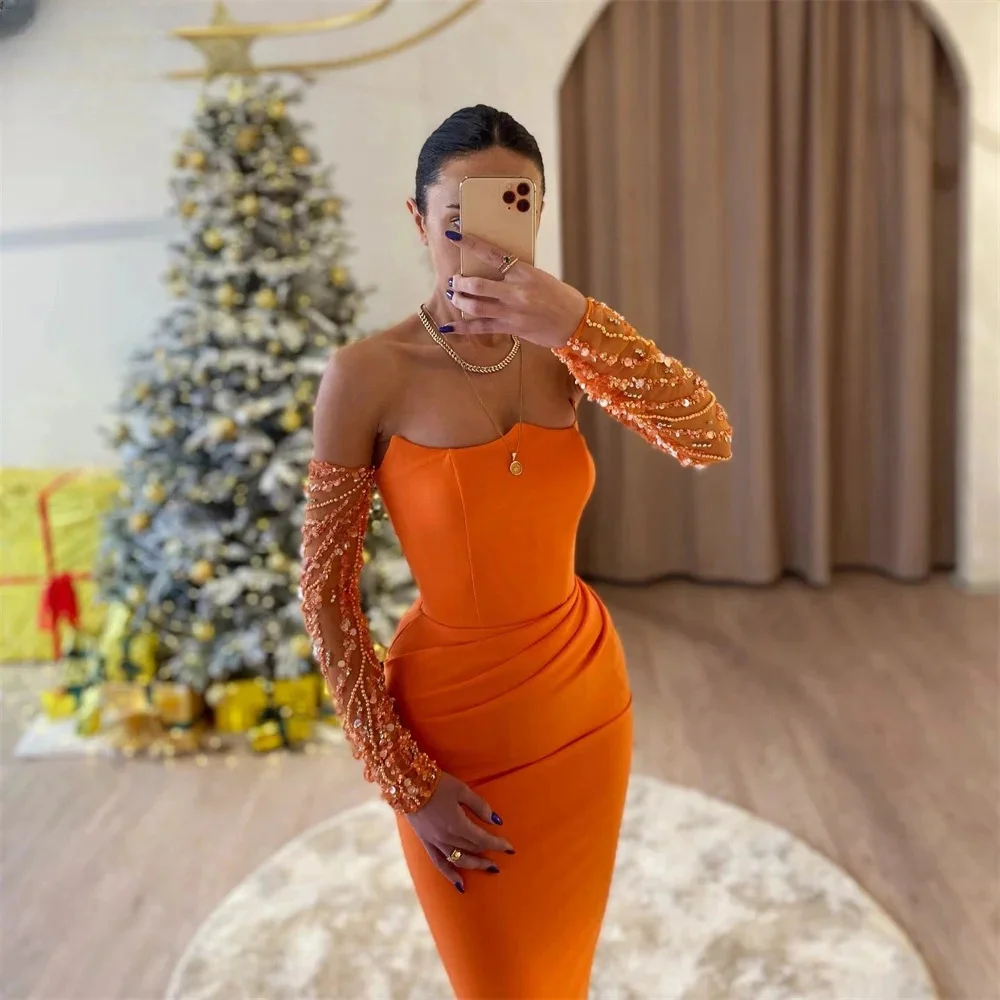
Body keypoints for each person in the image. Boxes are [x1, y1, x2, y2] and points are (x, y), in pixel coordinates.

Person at [300, 105, 732, 999]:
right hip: (456, 730)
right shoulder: (367, 374)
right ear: (418, 221)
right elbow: (326, 593)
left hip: (587, 702)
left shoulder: (567, 348)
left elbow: (706, 434)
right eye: (456, 221)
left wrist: (575, 320)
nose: (482, 245)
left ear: (536, 214)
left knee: (563, 971)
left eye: (511, 210)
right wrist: (404, 779)